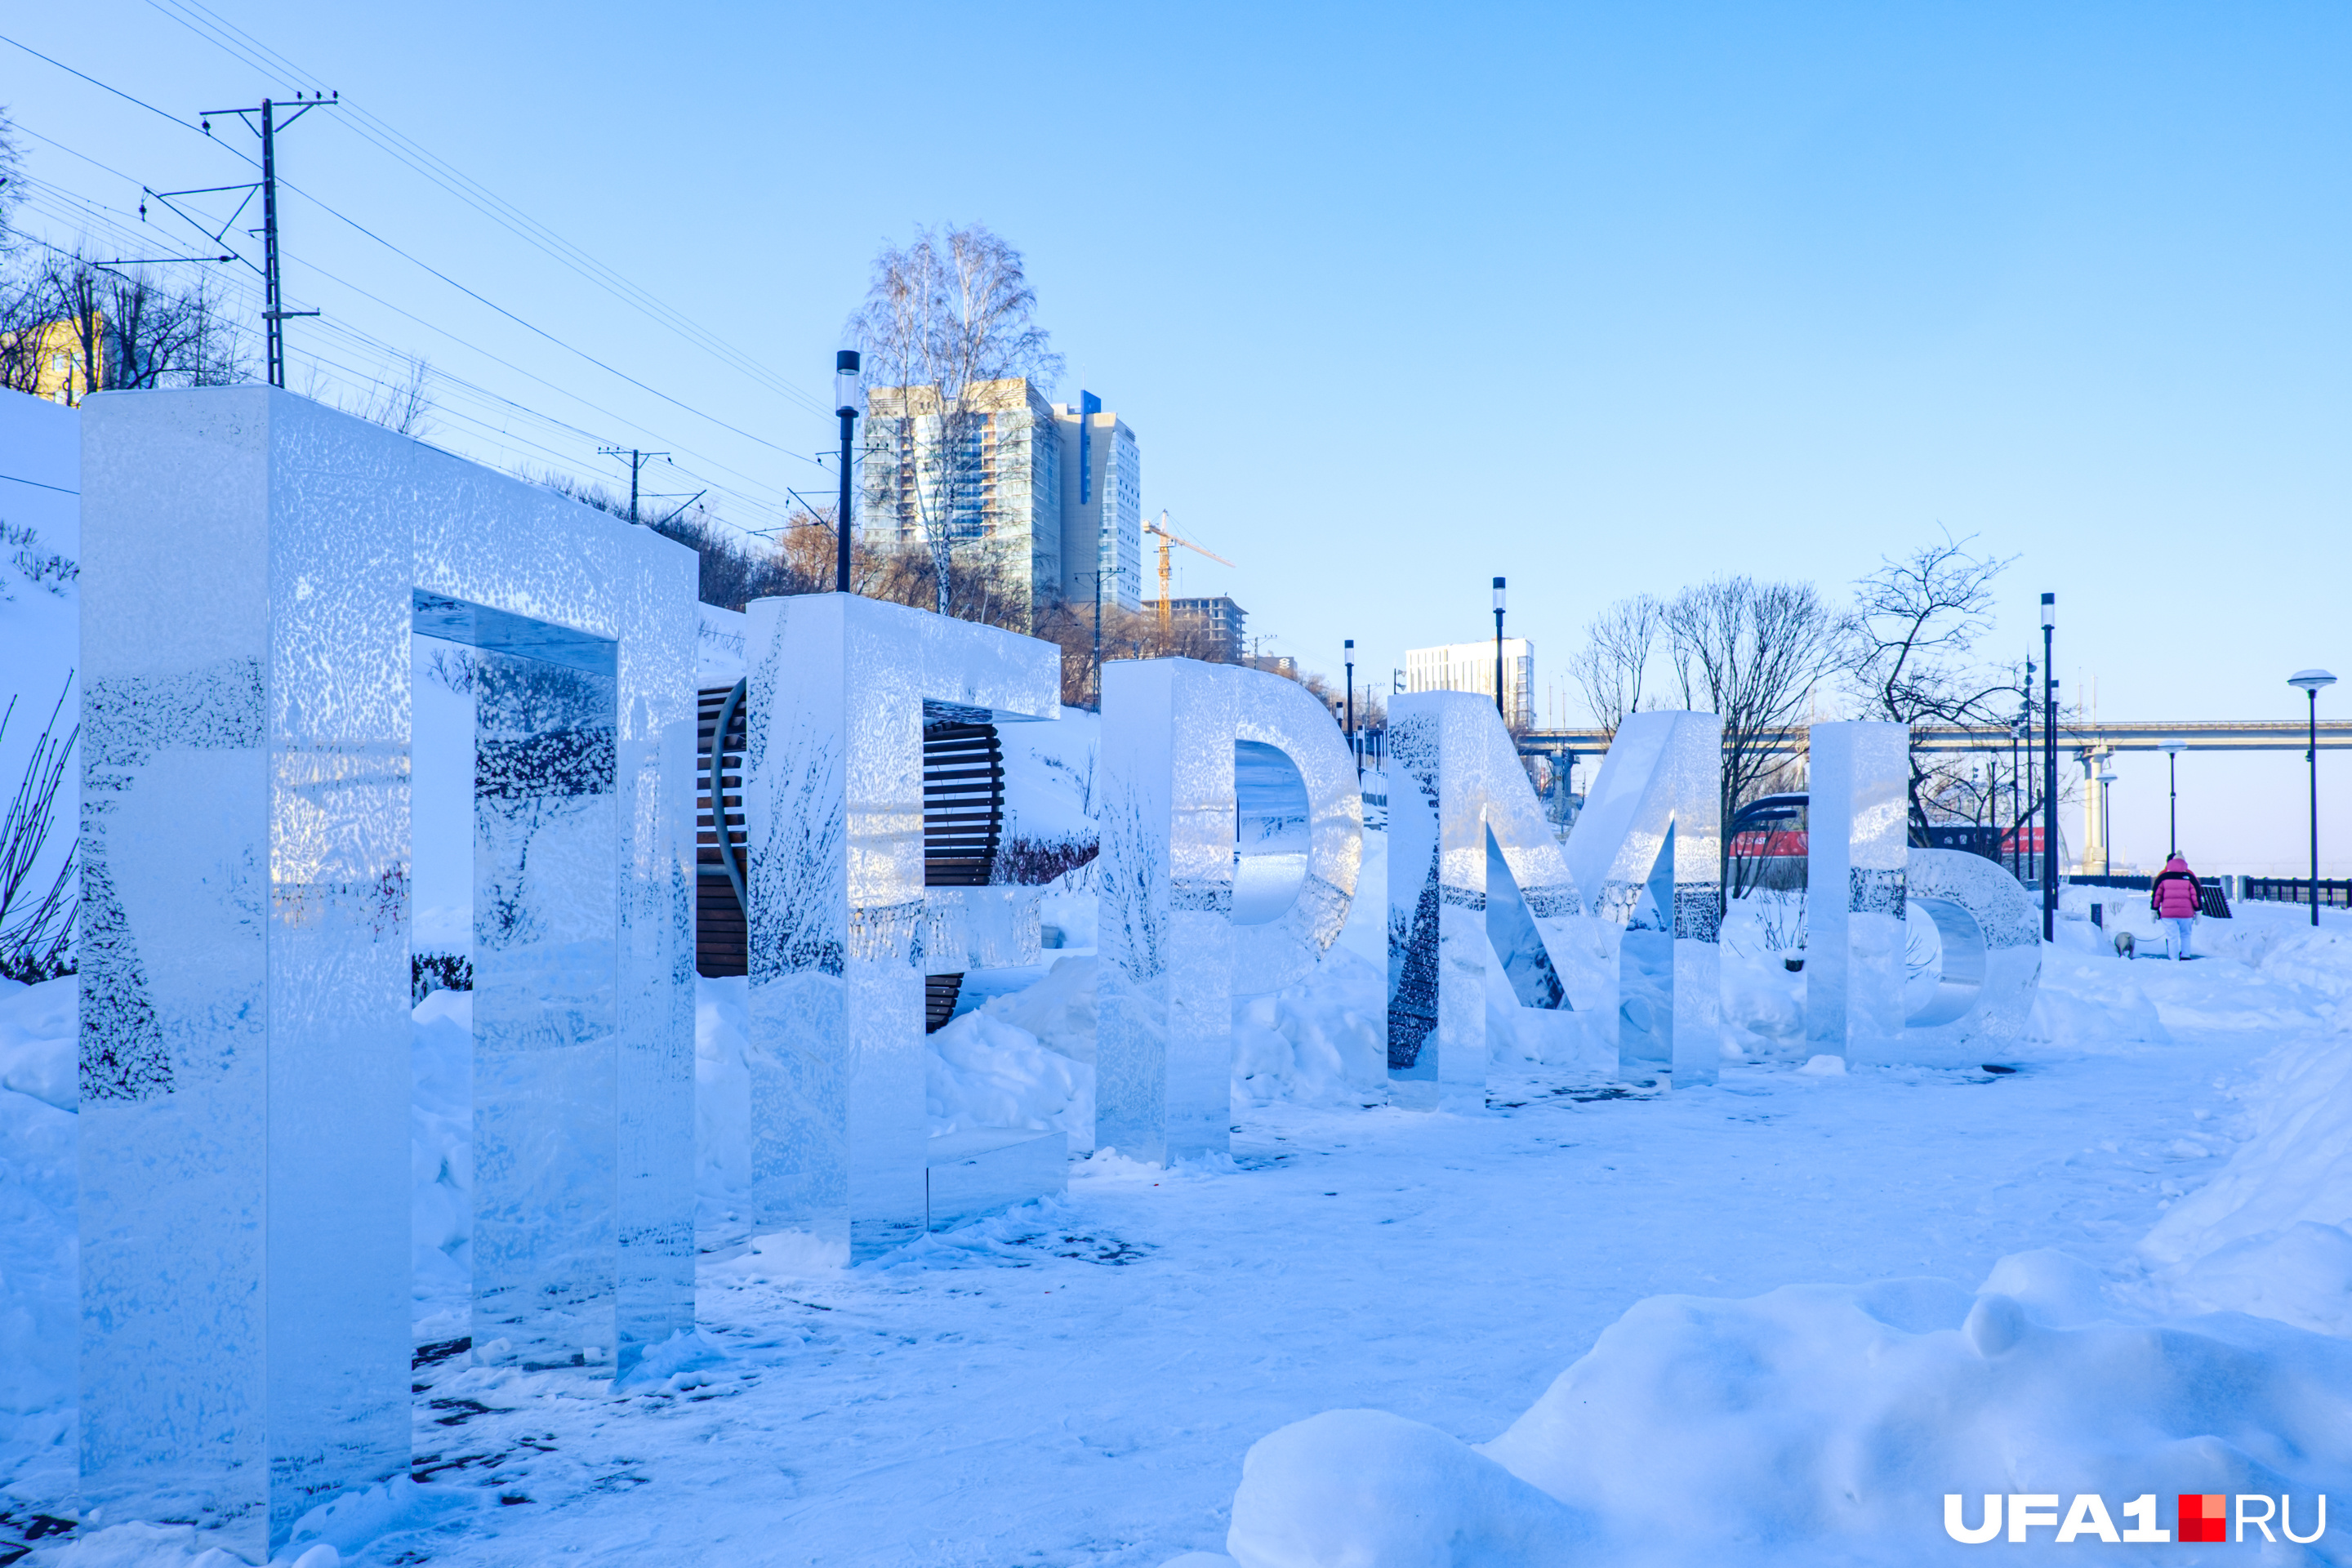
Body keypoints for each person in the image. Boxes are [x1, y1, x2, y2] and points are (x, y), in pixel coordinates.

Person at [2149, 853, 2203, 960]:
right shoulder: (2190, 878)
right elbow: (2195, 896)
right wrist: (2198, 911)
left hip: (2168, 914)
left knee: (2172, 936)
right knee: (2186, 935)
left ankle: (2173, 958)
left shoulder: (2163, 877)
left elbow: (2157, 895)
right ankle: (2186, 956)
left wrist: (2154, 910)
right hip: (2186, 914)